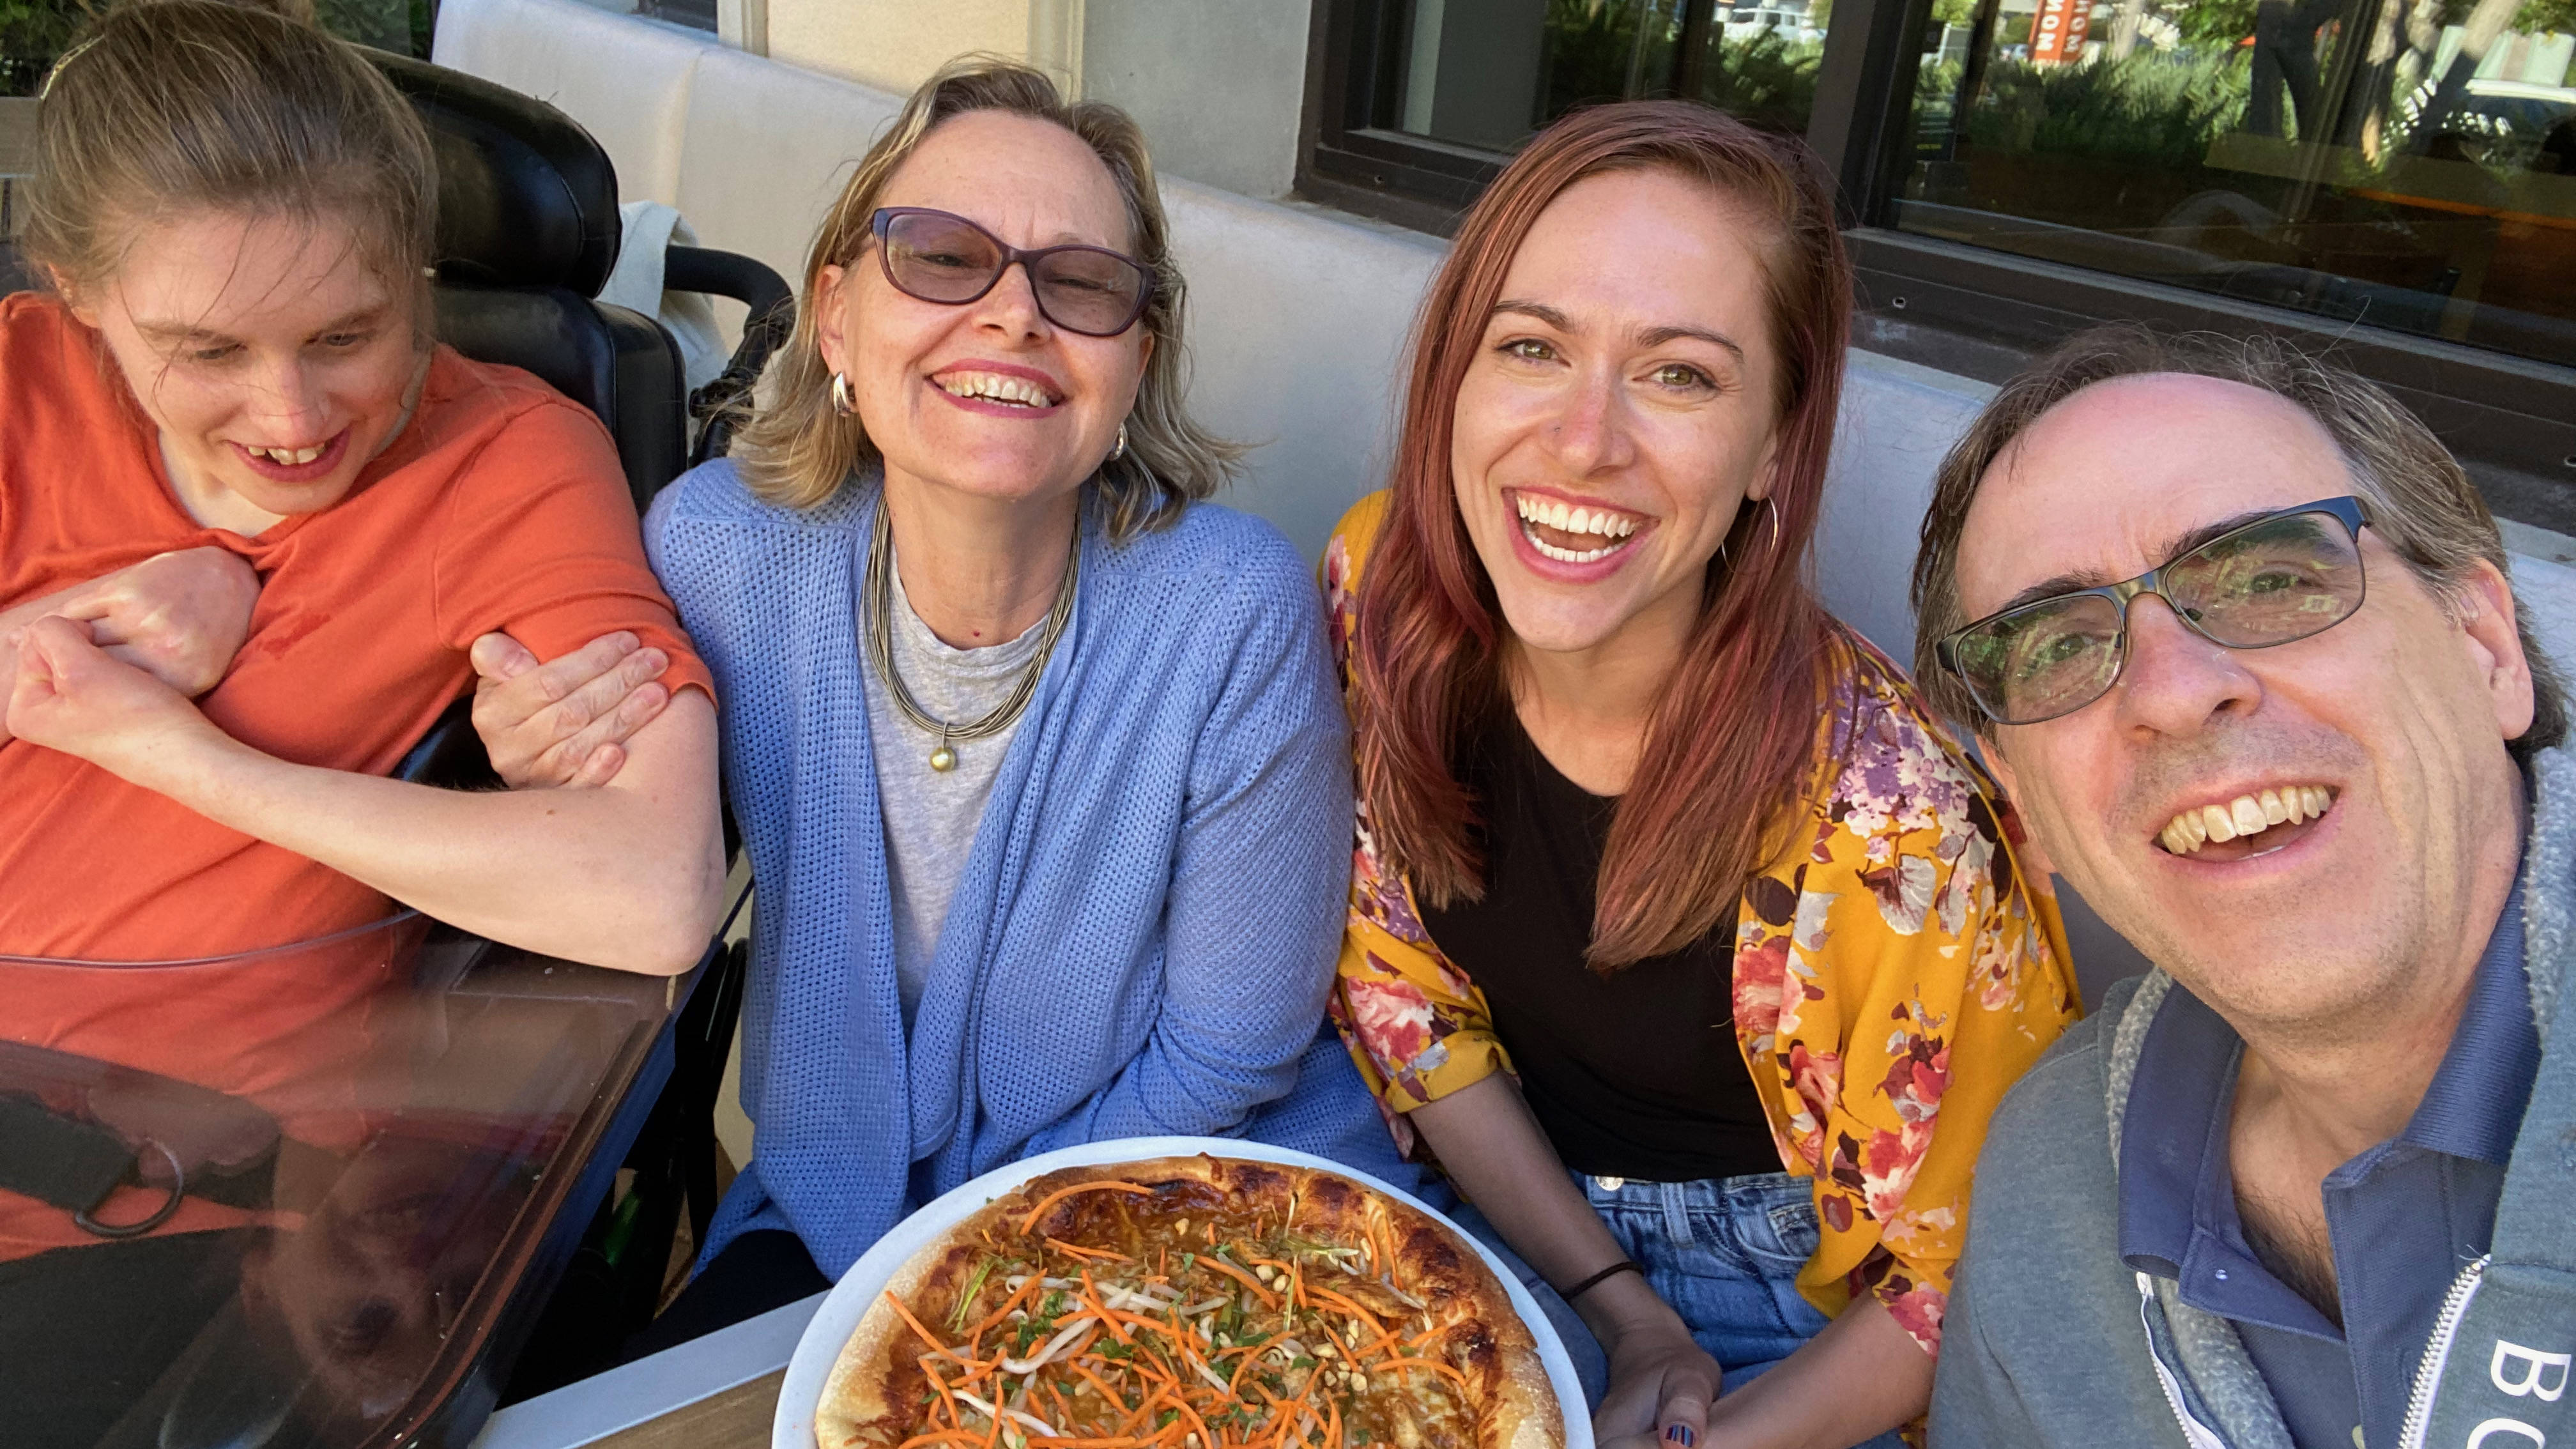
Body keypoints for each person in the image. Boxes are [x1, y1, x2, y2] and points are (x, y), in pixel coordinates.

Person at [0, 1, 722, 1438]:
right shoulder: (20, 391)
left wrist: (168, 746)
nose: (292, 416)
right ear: (78, 291)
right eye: (206, 352)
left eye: (350, 330)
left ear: (421, 268)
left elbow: (651, 894)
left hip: (127, 1211)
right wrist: (61, 633)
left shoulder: (500, 459)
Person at [1323, 101, 2078, 1449]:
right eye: (1532, 347)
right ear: (1454, 379)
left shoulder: (1896, 831)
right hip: (1491, 1210)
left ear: (1776, 448)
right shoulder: (1378, 596)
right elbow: (1404, 1005)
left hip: (1794, 1314)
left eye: (1679, 375)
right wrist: (1619, 1305)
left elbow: (1971, 1275)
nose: (1582, 438)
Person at [628, 57, 1405, 1349]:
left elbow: (1229, 1057)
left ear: (1132, 361)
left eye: (1081, 283)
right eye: (941, 257)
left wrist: (958, 1280)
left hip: (1175, 1194)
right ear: (834, 320)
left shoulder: (1231, 611)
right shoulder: (718, 552)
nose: (1011, 316)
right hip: (836, 1202)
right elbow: (621, 853)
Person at [1915, 326, 2575, 1449]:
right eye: (2058, 647)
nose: (2172, 694)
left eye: (2271, 576)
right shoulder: (2057, 1179)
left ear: (2486, 650)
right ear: (2024, 812)